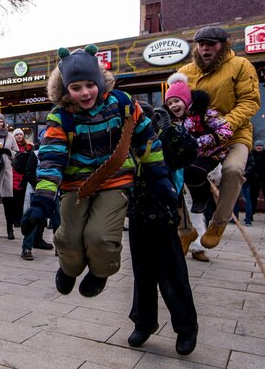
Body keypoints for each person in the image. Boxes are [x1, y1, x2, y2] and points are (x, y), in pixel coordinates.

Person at [23, 46, 173, 298]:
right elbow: (51, 160)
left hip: (115, 181)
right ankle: (69, 269)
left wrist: (158, 175)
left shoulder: (123, 103)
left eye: (90, 85)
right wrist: (42, 201)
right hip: (76, 186)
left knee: (100, 237)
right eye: (76, 87)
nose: (84, 93)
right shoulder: (61, 117)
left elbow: (147, 138)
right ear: (66, 89)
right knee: (68, 238)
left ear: (99, 81)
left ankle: (99, 272)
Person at [126, 96, 199, 356]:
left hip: (165, 215)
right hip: (136, 216)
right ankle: (143, 323)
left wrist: (172, 129)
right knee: (142, 274)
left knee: (172, 275)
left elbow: (190, 153)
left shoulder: (165, 138)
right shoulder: (125, 141)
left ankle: (186, 328)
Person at [177, 26, 261, 248]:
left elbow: (250, 101)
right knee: (171, 173)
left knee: (233, 170)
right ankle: (186, 229)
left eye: (211, 44)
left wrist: (226, 124)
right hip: (197, 139)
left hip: (235, 134)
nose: (205, 48)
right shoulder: (185, 71)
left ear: (223, 45)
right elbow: (176, 103)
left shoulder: (241, 65)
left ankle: (218, 223)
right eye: (201, 44)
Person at [163, 74, 233, 263]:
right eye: (169, 103)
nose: (173, 106)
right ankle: (190, 239)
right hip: (185, 168)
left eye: (176, 101)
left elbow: (226, 131)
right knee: (181, 200)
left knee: (198, 204)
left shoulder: (205, 114)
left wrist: (197, 143)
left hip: (209, 164)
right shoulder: (174, 122)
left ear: (186, 100)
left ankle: (199, 245)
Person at [19, 131, 55, 261]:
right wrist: (39, 186)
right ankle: (27, 248)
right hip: (38, 192)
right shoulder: (35, 154)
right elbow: (29, 173)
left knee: (57, 220)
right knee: (34, 218)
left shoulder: (58, 153)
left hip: (55, 191)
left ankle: (59, 248)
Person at [10, 128, 32, 228]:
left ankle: (22, 219)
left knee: (23, 200)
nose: (19, 136)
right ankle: (15, 220)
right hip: (13, 176)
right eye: (16, 135)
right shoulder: (11, 147)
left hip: (23, 176)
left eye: (20, 134)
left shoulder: (28, 147)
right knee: (14, 200)